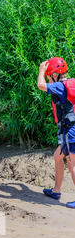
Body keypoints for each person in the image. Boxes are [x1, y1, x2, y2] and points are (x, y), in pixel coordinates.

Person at [37, 57, 75, 209]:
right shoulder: (71, 82)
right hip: (69, 130)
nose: (48, 78)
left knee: (72, 164)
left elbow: (40, 85)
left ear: (55, 74)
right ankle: (56, 190)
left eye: (48, 75)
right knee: (57, 157)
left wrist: (41, 70)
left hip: (71, 132)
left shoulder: (60, 86)